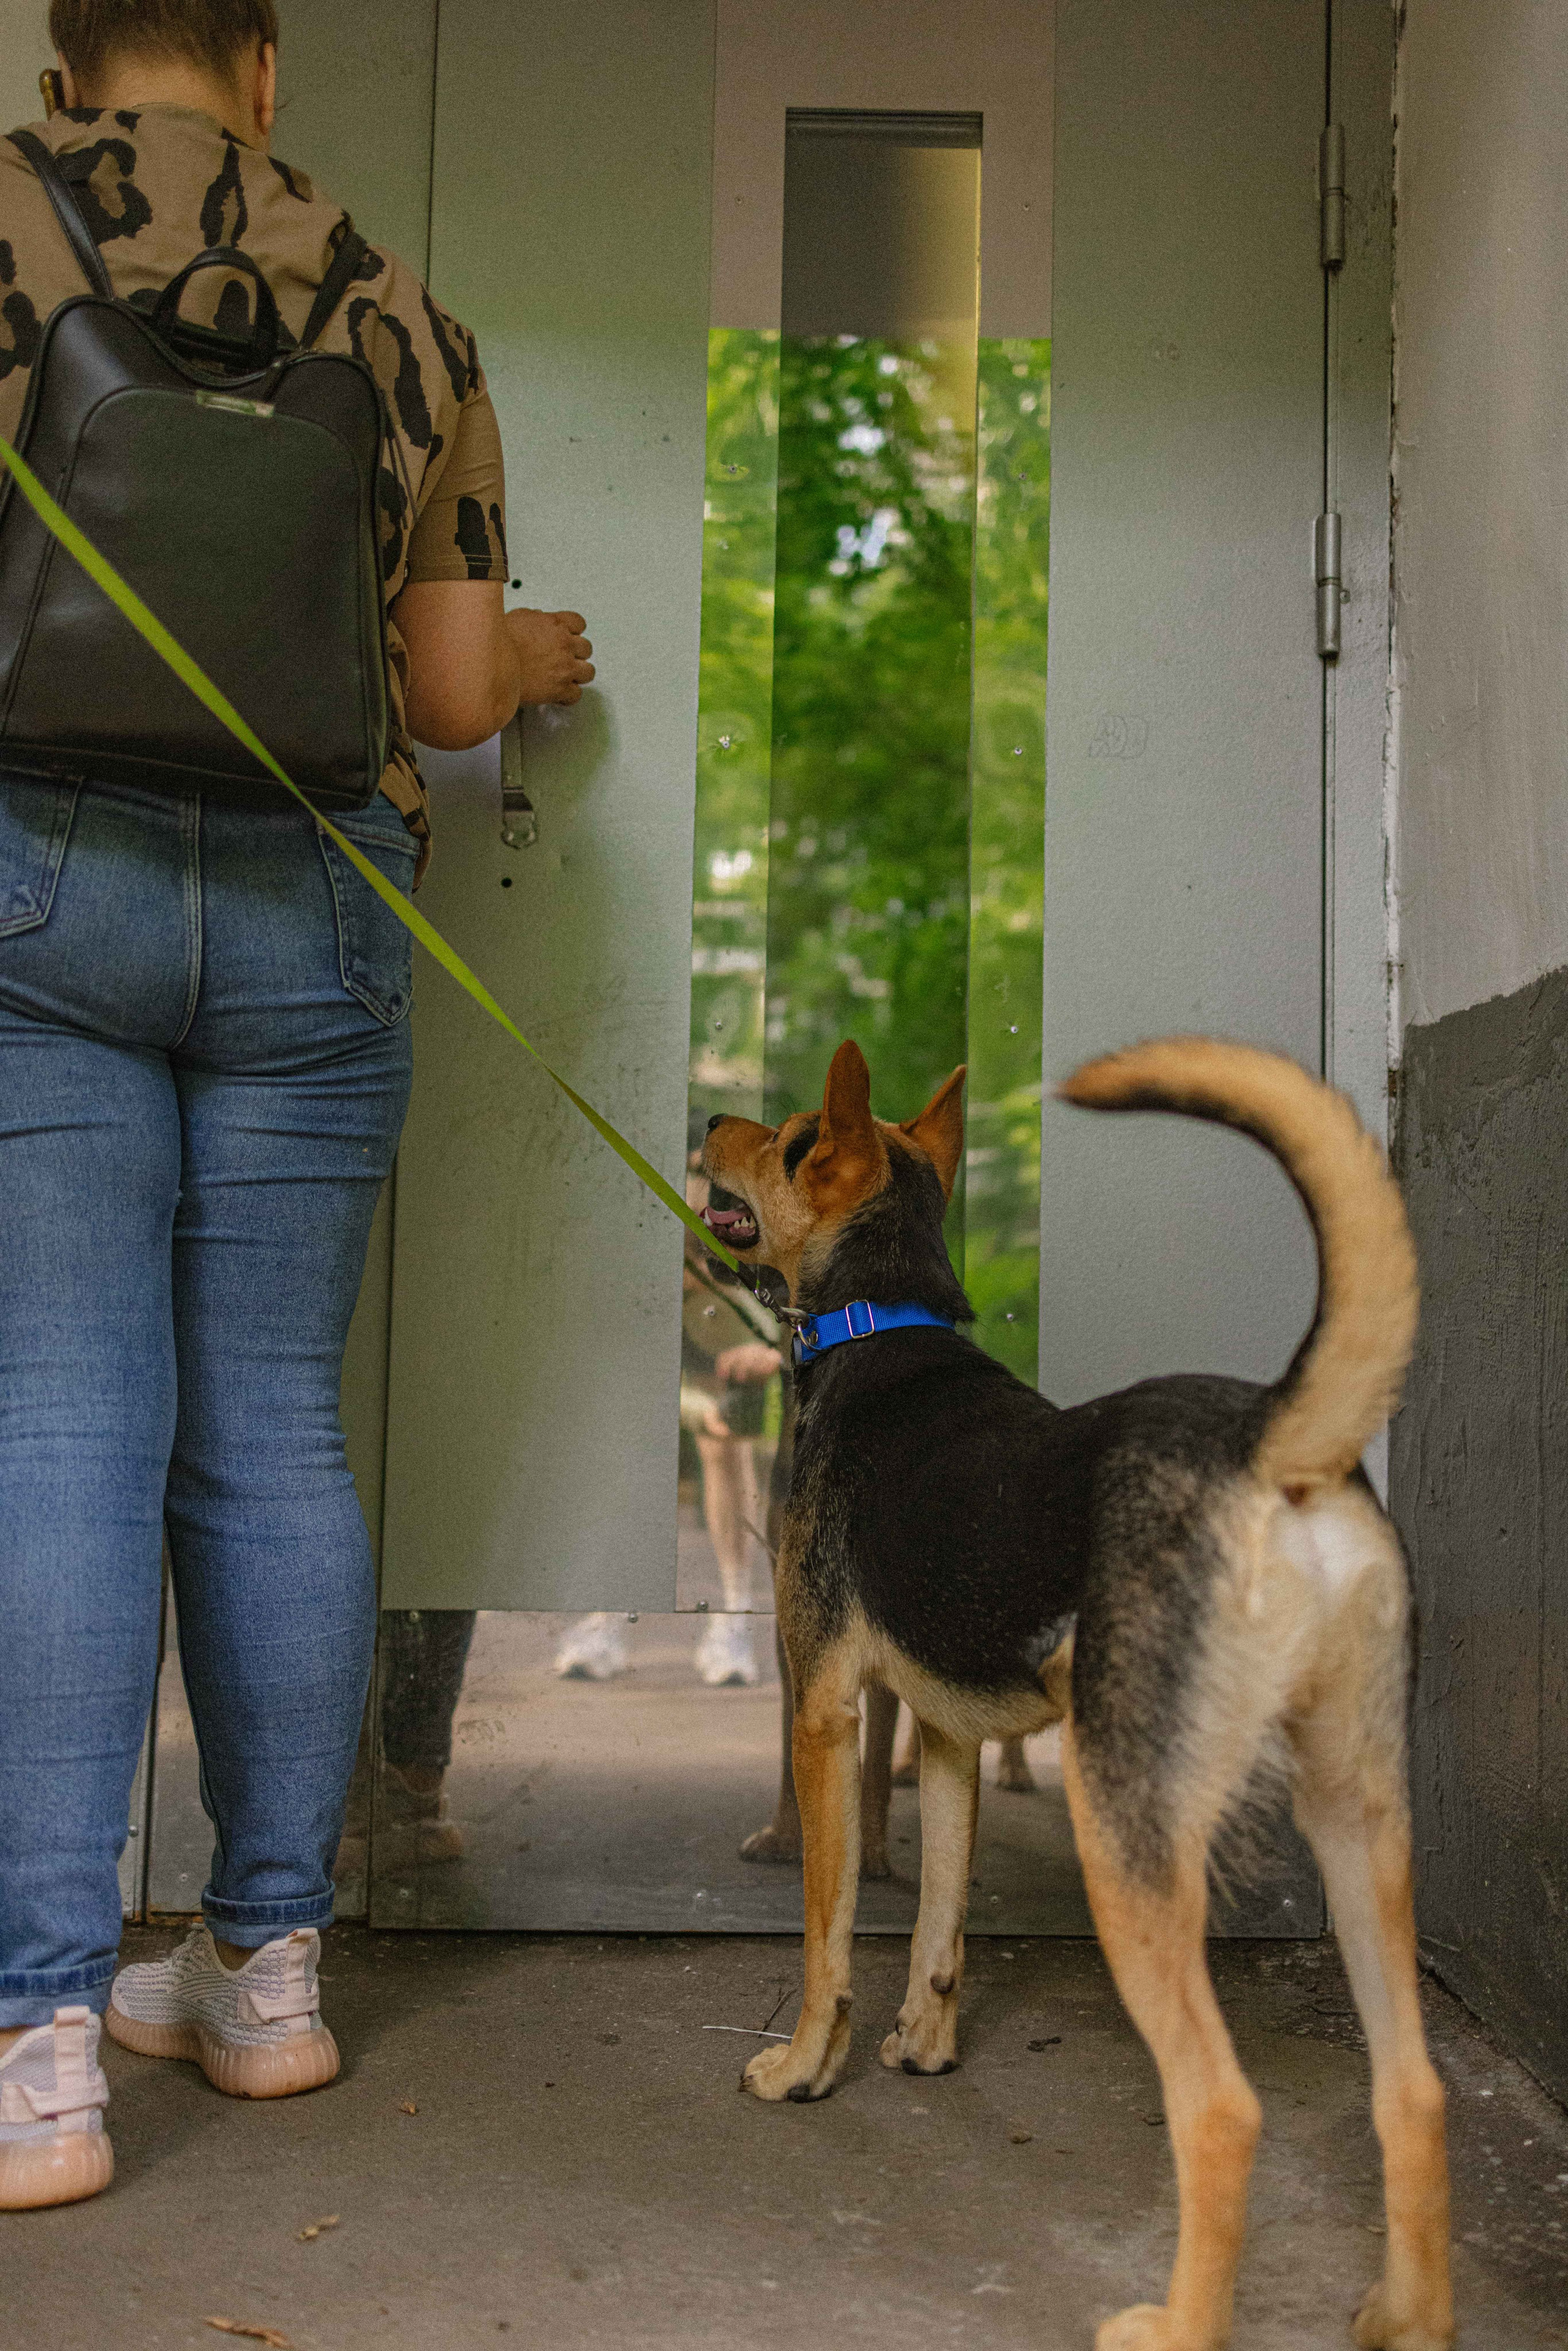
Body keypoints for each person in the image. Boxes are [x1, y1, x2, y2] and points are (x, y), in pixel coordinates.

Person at [0, 0, 594, 2212]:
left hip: (40, 875)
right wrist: (520, 659)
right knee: (269, 1427)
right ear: (261, 63)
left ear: (73, 66)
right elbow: (444, 696)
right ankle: (266, 1976)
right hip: (326, 908)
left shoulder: (5, 216)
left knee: (61, 1419)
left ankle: (40, 2046)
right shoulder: (405, 307)